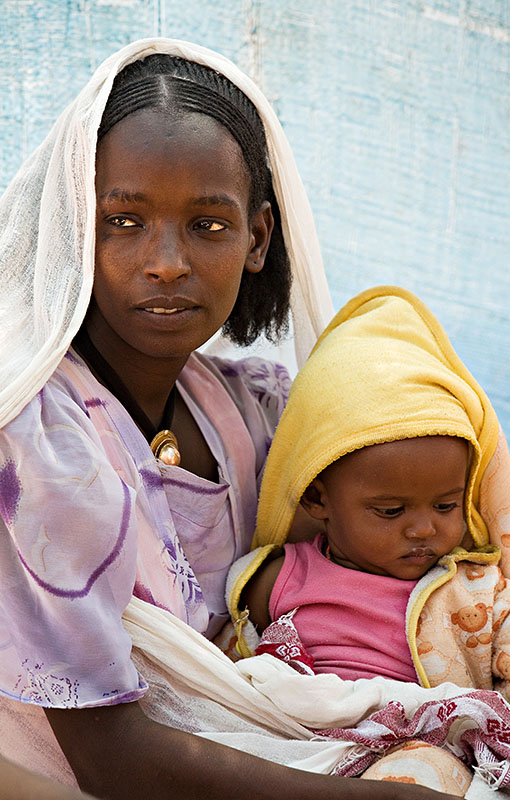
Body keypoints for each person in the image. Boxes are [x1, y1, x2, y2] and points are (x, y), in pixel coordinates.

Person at [0, 37, 457, 800]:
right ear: (75, 228)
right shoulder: (41, 443)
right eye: (123, 222)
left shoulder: (255, 413)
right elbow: (108, 756)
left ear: (258, 238)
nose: (167, 261)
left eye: (208, 224)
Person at [228, 285, 510, 796]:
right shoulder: (277, 576)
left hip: (416, 755)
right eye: (390, 511)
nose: (423, 529)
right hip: (296, 752)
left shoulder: (479, 591)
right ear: (317, 500)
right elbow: (228, 665)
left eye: (446, 505)